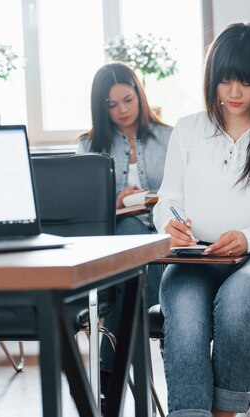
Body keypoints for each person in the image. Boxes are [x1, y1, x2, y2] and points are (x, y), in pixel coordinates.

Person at [152, 22, 250, 417]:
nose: (235, 93)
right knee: (184, 305)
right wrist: (168, 224)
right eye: (225, 82)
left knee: (241, 294)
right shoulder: (189, 129)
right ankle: (188, 413)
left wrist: (248, 237)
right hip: (201, 256)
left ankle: (226, 412)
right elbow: (167, 199)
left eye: (246, 82)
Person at [76, 62, 172, 407]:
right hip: (117, 238)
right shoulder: (89, 144)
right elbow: (82, 210)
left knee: (145, 260)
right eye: (111, 105)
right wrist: (113, 201)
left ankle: (106, 372)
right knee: (137, 249)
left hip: (165, 229)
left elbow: (185, 191)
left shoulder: (169, 136)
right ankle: (170, 338)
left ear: (140, 94)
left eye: (128, 100)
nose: (122, 111)